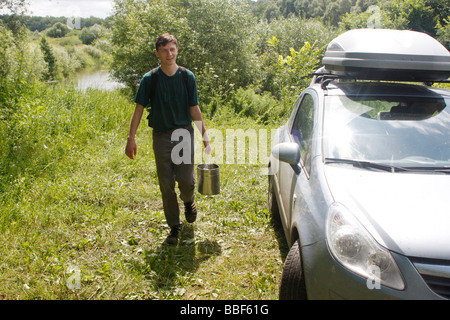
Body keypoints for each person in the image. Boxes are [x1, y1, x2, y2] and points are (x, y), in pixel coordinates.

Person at [125, 33, 210, 245]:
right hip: (161, 136)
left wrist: (205, 136)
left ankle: (189, 201)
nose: (169, 53)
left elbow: (194, 108)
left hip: (183, 134)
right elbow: (139, 109)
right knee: (166, 184)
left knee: (186, 181)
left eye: (172, 49)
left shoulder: (186, 77)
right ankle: (174, 225)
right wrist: (131, 137)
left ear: (177, 50)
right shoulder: (149, 79)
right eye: (164, 50)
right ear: (157, 53)